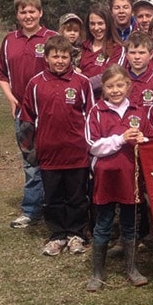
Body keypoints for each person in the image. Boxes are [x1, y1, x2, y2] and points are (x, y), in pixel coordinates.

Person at [19, 35, 94, 256]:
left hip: (76, 153)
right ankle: (57, 235)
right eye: (55, 56)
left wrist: (90, 148)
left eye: (64, 56)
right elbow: (27, 120)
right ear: (47, 57)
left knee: (77, 197)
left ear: (71, 58)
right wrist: (30, 150)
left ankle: (76, 234)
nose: (60, 61)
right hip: (49, 153)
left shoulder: (82, 83)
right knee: (52, 198)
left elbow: (91, 117)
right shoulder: (35, 84)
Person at [85, 65, 153, 290]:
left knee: (129, 224)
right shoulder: (96, 112)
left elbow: (151, 142)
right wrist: (120, 139)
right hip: (106, 178)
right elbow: (93, 146)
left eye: (119, 85)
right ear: (103, 89)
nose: (115, 90)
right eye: (110, 86)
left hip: (130, 178)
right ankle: (97, 273)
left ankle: (132, 269)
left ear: (128, 85)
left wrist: (143, 139)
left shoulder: (138, 111)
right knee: (103, 223)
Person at [0, 0, 57, 229]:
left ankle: (54, 207)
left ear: (40, 13)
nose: (28, 16)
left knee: (56, 161)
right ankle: (31, 210)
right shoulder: (10, 40)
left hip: (51, 112)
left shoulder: (52, 38)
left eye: (32, 11)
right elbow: (1, 73)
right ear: (17, 15)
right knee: (31, 162)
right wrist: (10, 99)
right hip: (24, 113)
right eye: (23, 12)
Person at [80, 4, 126, 95]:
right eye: (92, 24)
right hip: (81, 103)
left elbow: (110, 77)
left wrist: (79, 85)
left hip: (103, 103)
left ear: (108, 24)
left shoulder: (118, 49)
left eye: (100, 23)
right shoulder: (82, 47)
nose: (96, 28)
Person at [125, 31, 153, 109]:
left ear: (151, 54)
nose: (137, 57)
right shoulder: (118, 78)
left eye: (142, 53)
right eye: (132, 53)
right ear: (126, 55)